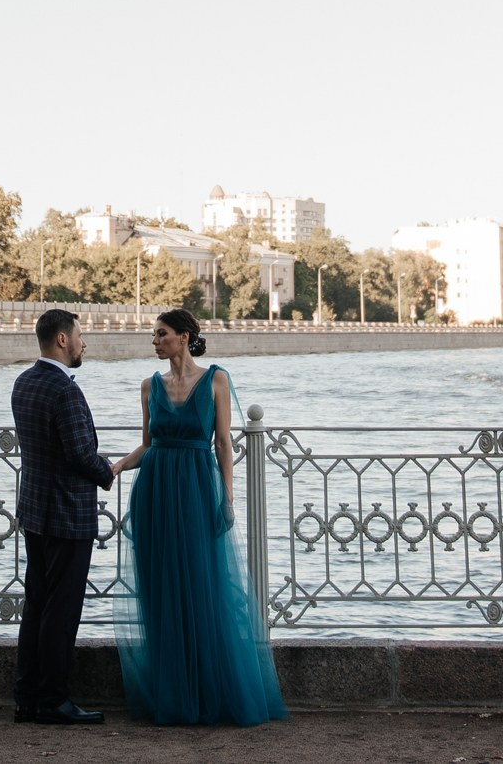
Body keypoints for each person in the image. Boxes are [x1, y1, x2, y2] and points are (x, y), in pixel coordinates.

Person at [109, 308, 287, 727]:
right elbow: (147, 446)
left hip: (195, 492)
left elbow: (224, 445)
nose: (154, 341)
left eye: (161, 334)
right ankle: (173, 692)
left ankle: (209, 691)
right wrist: (114, 468)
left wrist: (226, 499)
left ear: (185, 336)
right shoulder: (148, 386)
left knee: (202, 585)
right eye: (153, 335)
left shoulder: (216, 380)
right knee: (161, 590)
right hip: (154, 493)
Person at [11, 309, 115, 725]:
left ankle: (27, 698)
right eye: (79, 335)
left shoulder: (25, 382)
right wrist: (107, 471)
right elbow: (79, 453)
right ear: (61, 340)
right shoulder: (66, 391)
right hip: (67, 514)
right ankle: (54, 700)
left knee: (36, 604)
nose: (83, 342)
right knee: (62, 609)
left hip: (34, 510)